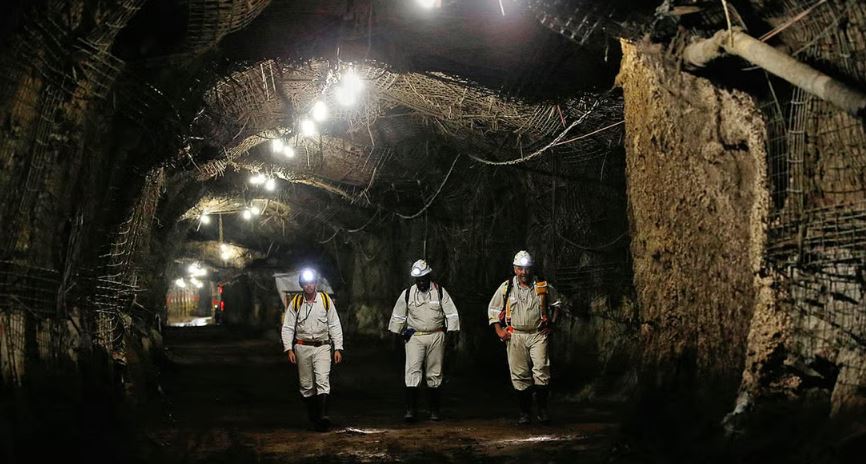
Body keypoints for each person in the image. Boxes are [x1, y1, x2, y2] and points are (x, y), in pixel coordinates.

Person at [487, 250, 561, 425]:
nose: (524, 272)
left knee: (542, 369)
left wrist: (552, 324)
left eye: (527, 269)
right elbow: (493, 309)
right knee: (519, 374)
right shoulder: (507, 287)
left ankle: (542, 410)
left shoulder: (542, 286)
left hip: (537, 334)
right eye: (520, 269)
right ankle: (525, 412)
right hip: (515, 335)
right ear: (515, 269)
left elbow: (557, 303)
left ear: (532, 269)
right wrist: (499, 330)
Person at [388, 259, 460, 422]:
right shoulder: (408, 294)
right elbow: (398, 316)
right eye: (418, 280)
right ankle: (411, 410)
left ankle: (434, 411)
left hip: (436, 335)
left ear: (429, 277)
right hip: (415, 336)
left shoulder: (440, 292)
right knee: (413, 370)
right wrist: (396, 335)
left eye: (423, 280)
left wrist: (452, 333)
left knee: (435, 372)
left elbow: (451, 313)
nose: (421, 283)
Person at [281, 268, 344, 431]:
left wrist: (338, 347)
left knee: (323, 380)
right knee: (307, 385)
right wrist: (288, 348)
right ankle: (314, 416)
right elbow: (288, 326)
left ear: (316, 283)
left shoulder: (325, 300)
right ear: (302, 285)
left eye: (311, 283)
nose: (309, 286)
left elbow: (334, 324)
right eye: (306, 283)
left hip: (322, 346)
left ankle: (323, 417)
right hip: (302, 346)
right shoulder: (296, 302)